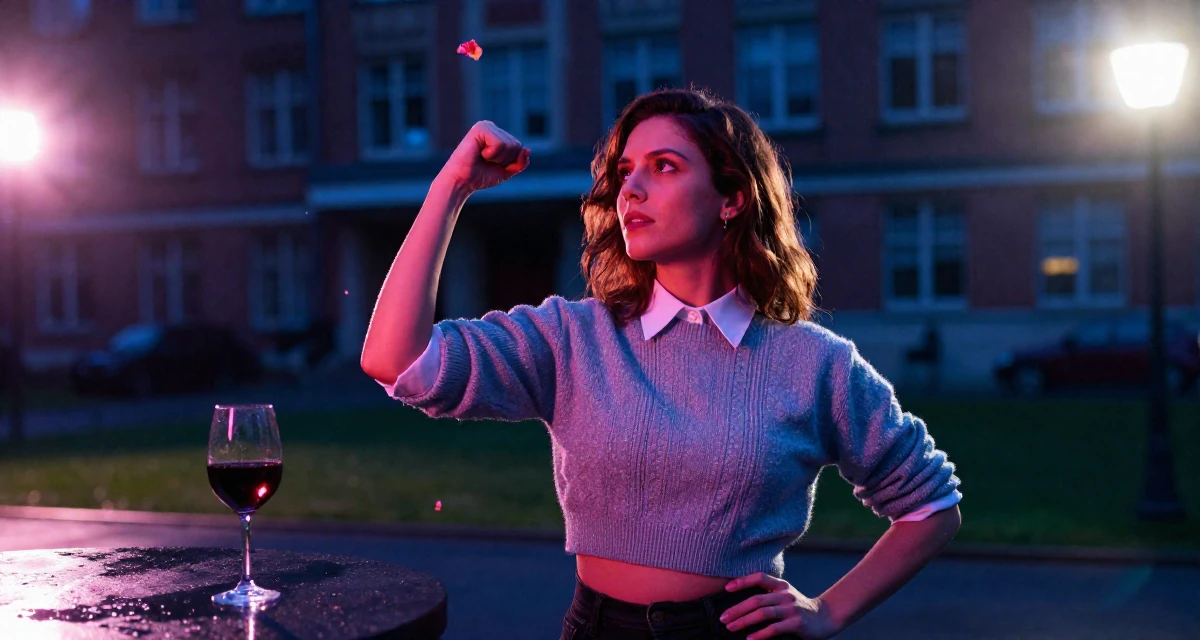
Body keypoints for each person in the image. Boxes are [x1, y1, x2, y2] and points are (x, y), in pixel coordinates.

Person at [361, 88, 962, 640]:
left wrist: (827, 611)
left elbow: (931, 508)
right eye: (625, 172)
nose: (630, 190)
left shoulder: (814, 363)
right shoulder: (574, 337)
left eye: (663, 167)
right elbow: (396, 361)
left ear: (731, 199)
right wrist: (452, 186)